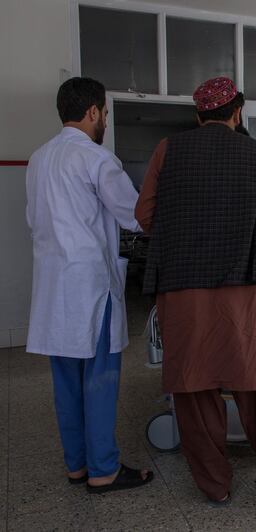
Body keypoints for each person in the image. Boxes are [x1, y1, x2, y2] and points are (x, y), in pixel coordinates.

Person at [134, 77, 256, 505]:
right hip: (243, 289)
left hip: (181, 291)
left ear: (198, 115)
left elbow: (144, 215)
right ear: (237, 113)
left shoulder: (167, 149)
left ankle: (215, 487)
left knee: (193, 389)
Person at [25, 77, 153, 493]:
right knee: (98, 382)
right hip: (90, 288)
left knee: (65, 385)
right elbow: (133, 216)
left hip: (53, 288)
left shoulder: (39, 159)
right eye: (106, 114)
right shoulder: (97, 159)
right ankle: (103, 469)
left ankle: (76, 465)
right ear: (94, 112)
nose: (105, 122)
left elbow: (34, 221)